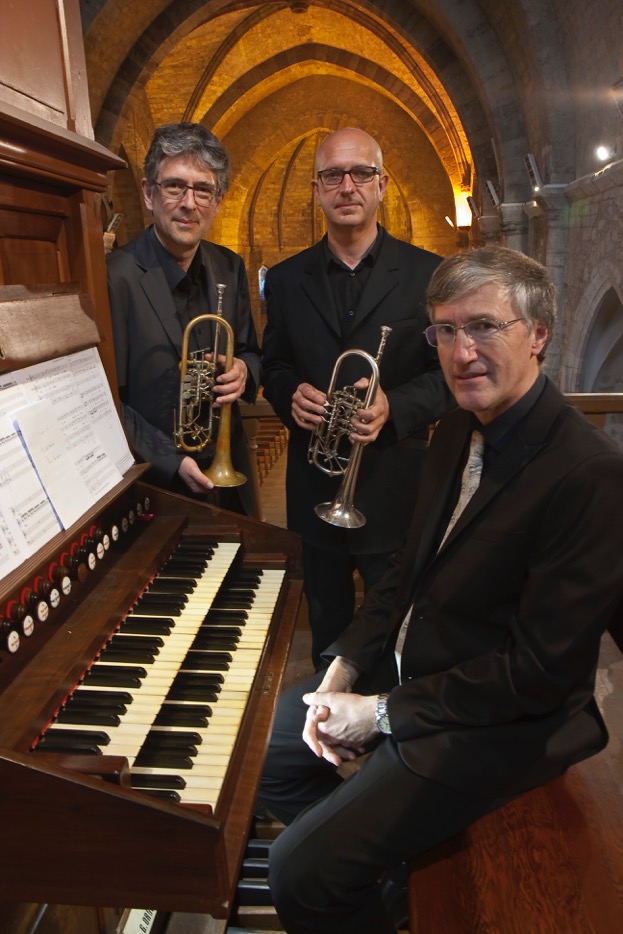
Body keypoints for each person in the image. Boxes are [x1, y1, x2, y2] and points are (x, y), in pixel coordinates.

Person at [257, 244, 623, 934]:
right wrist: (343, 666)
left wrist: (382, 713)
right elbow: (403, 573)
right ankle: (385, 878)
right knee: (268, 756)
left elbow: (536, 675)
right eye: (445, 331)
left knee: (296, 872)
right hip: (417, 676)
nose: (460, 352)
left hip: (501, 724)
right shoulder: (456, 427)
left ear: (537, 334)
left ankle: (353, 869)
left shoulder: (588, 475)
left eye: (483, 326)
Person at [261, 127, 453, 667]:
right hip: (313, 484)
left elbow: (448, 378)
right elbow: (273, 364)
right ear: (317, 189)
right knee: (326, 621)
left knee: (396, 626)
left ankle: (384, 726)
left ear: (381, 184)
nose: (347, 186)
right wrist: (287, 394)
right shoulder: (284, 278)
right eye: (332, 175)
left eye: (360, 173)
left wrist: (395, 406)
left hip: (393, 485)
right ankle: (325, 735)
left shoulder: (429, 274)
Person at [107, 122, 261, 515]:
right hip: (157, 489)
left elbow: (251, 353)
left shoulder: (229, 266)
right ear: (148, 192)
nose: (189, 202)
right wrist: (170, 460)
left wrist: (244, 370)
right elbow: (106, 402)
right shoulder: (114, 276)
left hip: (231, 482)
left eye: (203, 189)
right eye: (175, 186)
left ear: (218, 200)